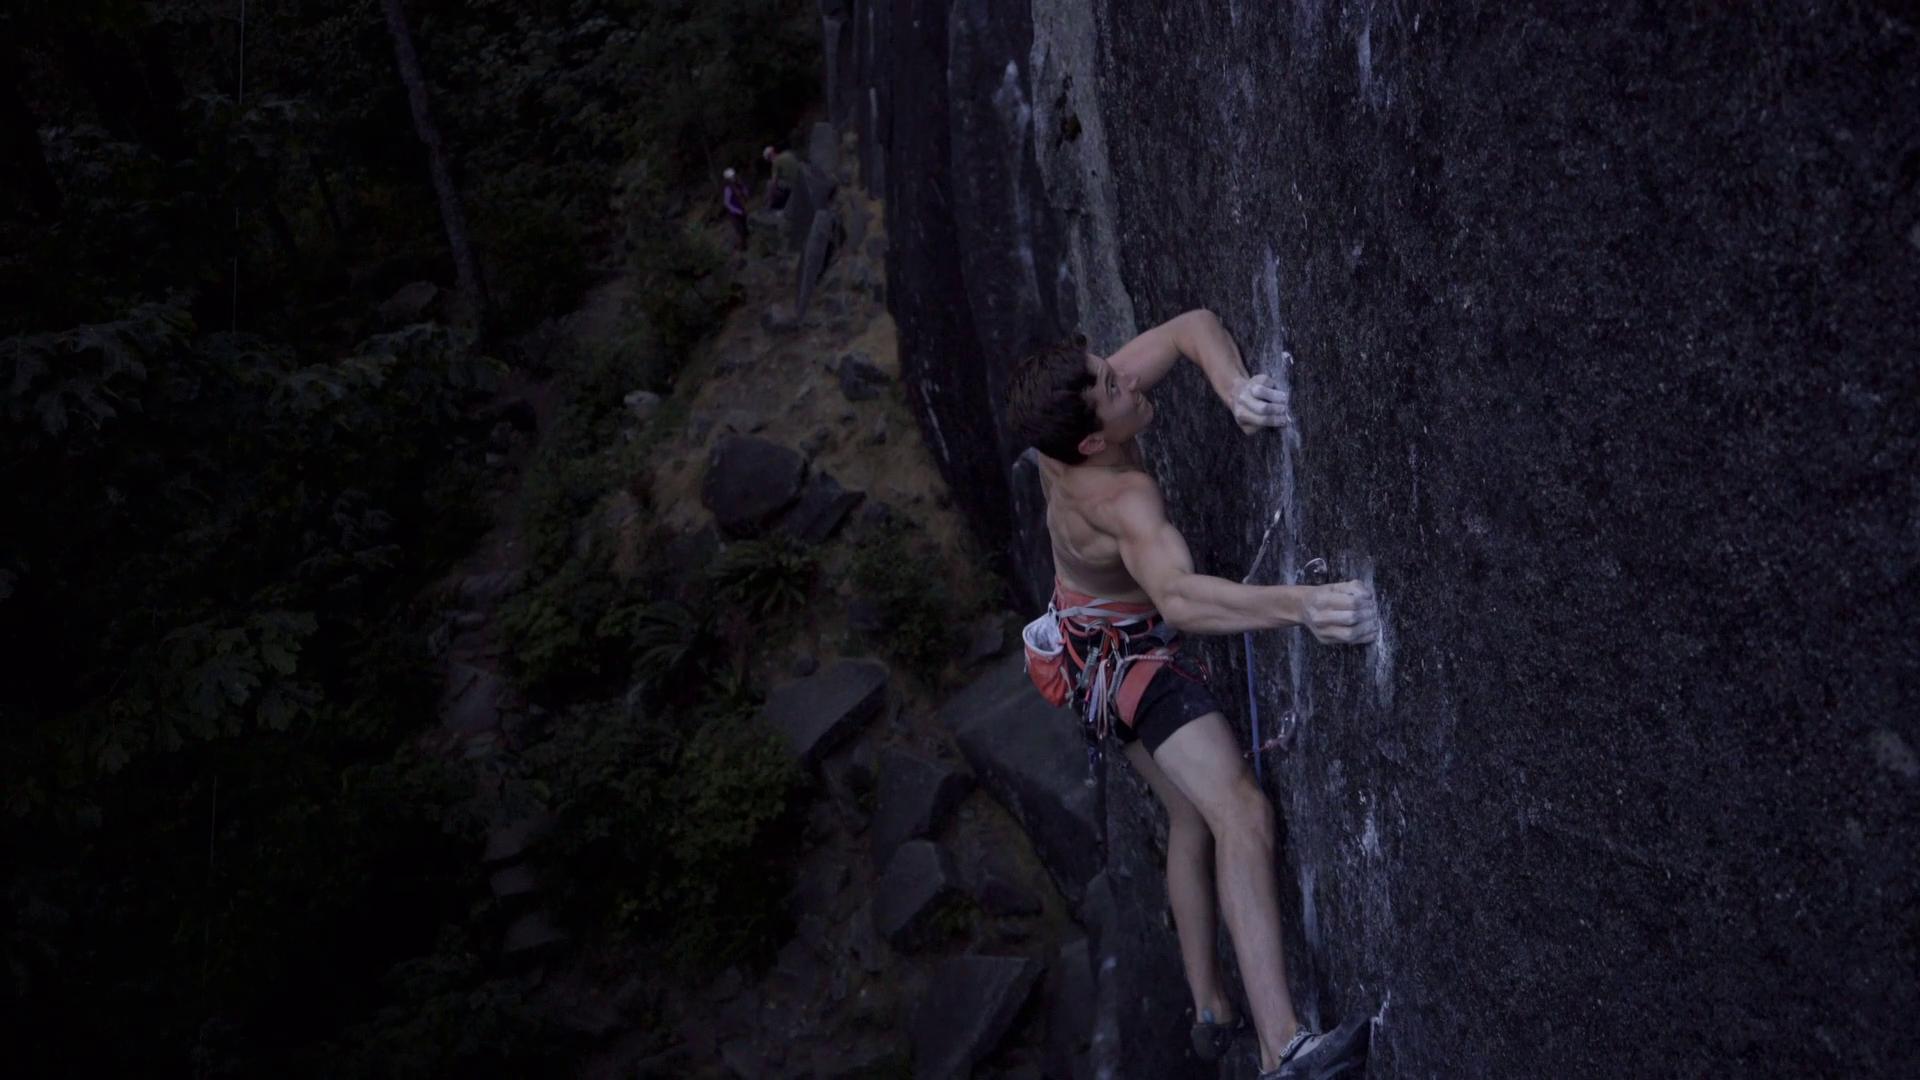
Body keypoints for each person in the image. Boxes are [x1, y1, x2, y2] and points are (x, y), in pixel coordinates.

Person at [1006, 312, 1378, 1080]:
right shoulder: (1120, 500)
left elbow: (1189, 328)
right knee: (1237, 809)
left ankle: (1209, 1000)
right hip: (1130, 662)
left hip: (1084, 650)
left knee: (1188, 815)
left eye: (1111, 365)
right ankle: (1284, 1050)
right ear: (1092, 443)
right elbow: (1175, 600)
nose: (1127, 375)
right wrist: (1302, 606)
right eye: (1112, 386)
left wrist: (1234, 386)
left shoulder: (1068, 426)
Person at [721, 167, 750, 251]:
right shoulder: (728, 189)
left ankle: (744, 246)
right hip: (734, 213)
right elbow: (727, 203)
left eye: (733, 176)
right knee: (739, 230)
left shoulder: (739, 185)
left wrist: (744, 191)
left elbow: (745, 193)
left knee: (745, 229)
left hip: (741, 210)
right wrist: (736, 211)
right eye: (731, 177)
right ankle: (741, 248)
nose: (733, 178)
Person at [762, 145, 799, 210]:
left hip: (792, 184)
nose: (770, 162)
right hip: (800, 180)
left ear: (769, 156)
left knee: (769, 184)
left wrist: (775, 193)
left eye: (768, 160)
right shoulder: (788, 154)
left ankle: (768, 205)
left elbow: (774, 181)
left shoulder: (775, 162)